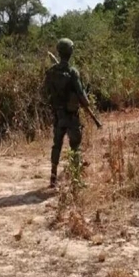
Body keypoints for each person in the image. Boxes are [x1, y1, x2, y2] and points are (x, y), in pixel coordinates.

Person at [43, 38, 91, 188]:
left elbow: (45, 93)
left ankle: (53, 176)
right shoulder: (72, 72)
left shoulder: (51, 72)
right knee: (75, 146)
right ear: (70, 52)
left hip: (58, 115)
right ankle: (76, 179)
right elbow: (83, 97)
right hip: (71, 116)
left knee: (56, 145)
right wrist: (84, 101)